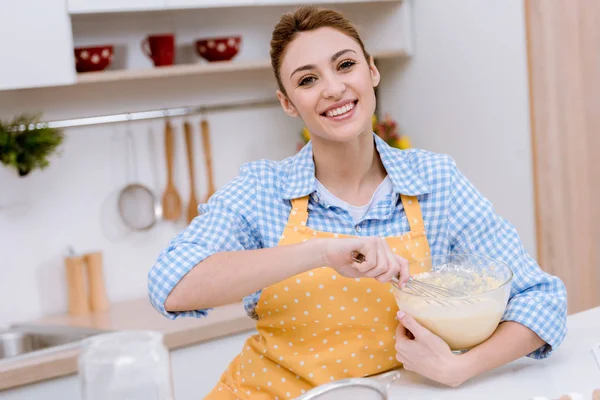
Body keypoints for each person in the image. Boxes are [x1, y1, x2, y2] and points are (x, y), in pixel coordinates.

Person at [148, 5, 567, 399]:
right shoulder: (262, 189)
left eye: (345, 65)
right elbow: (171, 284)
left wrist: (462, 367)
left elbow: (542, 298)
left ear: (372, 71)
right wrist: (319, 252)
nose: (333, 88)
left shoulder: (434, 182)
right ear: (288, 103)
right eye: (307, 80)